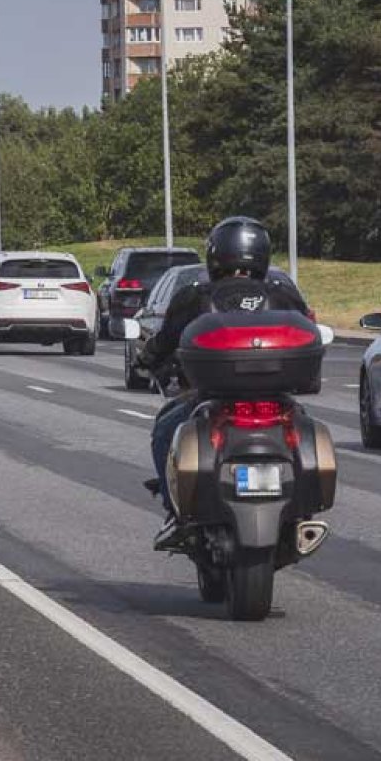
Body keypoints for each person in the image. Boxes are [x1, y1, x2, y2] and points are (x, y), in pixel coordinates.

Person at [136, 217, 311, 547]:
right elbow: (306, 331)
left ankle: (175, 510)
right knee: (305, 431)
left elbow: (166, 340)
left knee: (165, 430)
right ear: (261, 254)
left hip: (212, 397)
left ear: (215, 254)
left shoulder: (196, 296)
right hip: (277, 400)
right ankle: (300, 510)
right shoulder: (283, 295)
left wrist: (149, 359)